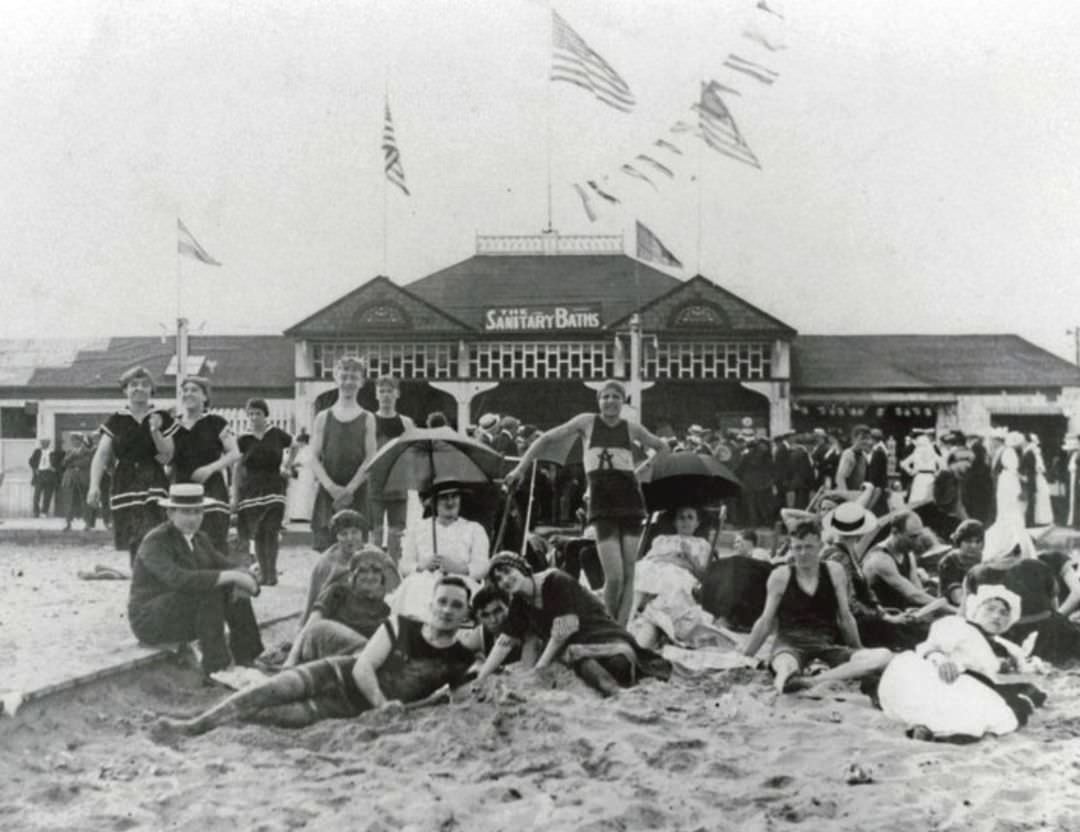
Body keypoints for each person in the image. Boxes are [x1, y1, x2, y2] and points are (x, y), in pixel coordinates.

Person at [154, 576, 477, 735]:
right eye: (443, 602)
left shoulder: (460, 658)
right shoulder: (403, 625)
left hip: (346, 708)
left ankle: (211, 722)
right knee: (269, 692)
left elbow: (449, 701)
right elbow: (364, 665)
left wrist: (401, 708)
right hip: (337, 673)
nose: (447, 611)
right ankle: (195, 725)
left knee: (270, 715)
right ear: (431, 605)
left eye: (456, 605)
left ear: (465, 615)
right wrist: (382, 704)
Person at [505, 380, 669, 625]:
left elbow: (662, 447)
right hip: (602, 503)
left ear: (623, 401)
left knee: (629, 573)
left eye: (616, 396)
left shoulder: (632, 428)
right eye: (605, 396)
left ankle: (620, 629)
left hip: (630, 501)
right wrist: (520, 467)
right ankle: (607, 623)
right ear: (598, 400)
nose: (610, 401)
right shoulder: (586, 422)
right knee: (613, 576)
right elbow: (547, 438)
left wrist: (641, 470)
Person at [475, 553, 672, 697]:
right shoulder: (520, 601)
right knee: (585, 664)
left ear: (522, 567)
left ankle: (619, 691)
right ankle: (617, 695)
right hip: (575, 651)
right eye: (498, 579)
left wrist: (539, 668)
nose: (505, 580)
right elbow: (504, 642)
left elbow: (565, 627)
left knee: (616, 664)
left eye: (508, 572)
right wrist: (481, 677)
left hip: (603, 636)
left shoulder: (555, 581)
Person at [877, 585, 1047, 742]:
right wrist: (941, 660)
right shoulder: (958, 625)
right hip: (945, 675)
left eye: (1004, 613)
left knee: (1004, 706)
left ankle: (928, 730)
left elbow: (1020, 661)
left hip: (973, 684)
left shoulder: (999, 643)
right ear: (975, 611)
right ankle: (928, 728)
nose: (997, 616)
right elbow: (929, 646)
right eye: (990, 609)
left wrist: (1030, 664)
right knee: (997, 712)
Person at [741, 519, 893, 694]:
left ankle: (813, 681)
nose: (803, 553)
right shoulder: (781, 576)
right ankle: (803, 679)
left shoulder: (834, 571)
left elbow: (845, 617)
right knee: (786, 670)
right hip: (789, 645)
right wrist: (746, 655)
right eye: (797, 548)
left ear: (820, 546)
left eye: (809, 547)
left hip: (826, 646)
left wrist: (857, 650)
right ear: (791, 548)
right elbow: (765, 621)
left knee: (883, 656)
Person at [128, 484, 263, 676]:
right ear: (170, 513)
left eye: (198, 512)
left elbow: (224, 564)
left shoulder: (200, 538)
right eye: (186, 512)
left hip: (184, 614)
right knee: (211, 589)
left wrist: (248, 575)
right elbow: (179, 579)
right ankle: (217, 667)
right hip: (151, 619)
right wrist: (234, 576)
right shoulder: (156, 541)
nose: (193, 518)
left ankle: (247, 657)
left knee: (228, 586)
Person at [88, 367, 177, 564]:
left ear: (152, 390)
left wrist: (155, 430)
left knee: (153, 529)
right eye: (133, 385)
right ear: (125, 390)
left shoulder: (162, 417)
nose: (139, 388)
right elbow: (102, 454)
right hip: (125, 479)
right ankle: (139, 578)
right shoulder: (117, 420)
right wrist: (94, 486)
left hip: (152, 476)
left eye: (145, 385)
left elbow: (168, 453)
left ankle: (154, 576)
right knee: (132, 535)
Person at [821, 502, 928, 651]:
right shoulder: (838, 557)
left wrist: (884, 612)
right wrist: (884, 617)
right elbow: (850, 603)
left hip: (864, 618)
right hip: (846, 626)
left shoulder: (849, 552)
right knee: (910, 639)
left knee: (912, 628)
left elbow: (866, 591)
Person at [964, 538, 1080, 665]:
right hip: (1050, 631)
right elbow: (1055, 606)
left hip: (1006, 634)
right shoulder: (1043, 564)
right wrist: (1058, 618)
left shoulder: (976, 571)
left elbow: (967, 614)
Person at [391, 479, 490, 621]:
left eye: (454, 496)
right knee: (416, 595)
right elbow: (404, 565)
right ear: (433, 501)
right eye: (444, 497)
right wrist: (421, 566)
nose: (450, 502)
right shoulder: (418, 528)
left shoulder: (474, 529)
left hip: (460, 582)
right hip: (422, 583)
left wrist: (458, 568)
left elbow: (482, 566)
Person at [284, 544, 399, 666]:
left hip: (357, 663)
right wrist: (291, 659)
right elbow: (310, 627)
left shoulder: (387, 606)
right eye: (363, 571)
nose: (370, 576)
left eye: (376, 571)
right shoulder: (338, 592)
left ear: (382, 578)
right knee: (321, 627)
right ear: (353, 575)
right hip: (328, 652)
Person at [309, 356, 377, 552]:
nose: (348, 382)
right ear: (336, 378)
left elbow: (370, 458)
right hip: (328, 492)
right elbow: (312, 457)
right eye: (344, 376)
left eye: (354, 377)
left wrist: (350, 490)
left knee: (356, 552)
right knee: (327, 552)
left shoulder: (368, 418)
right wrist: (331, 488)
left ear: (362, 382)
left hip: (357, 493)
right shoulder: (323, 417)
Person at [629, 506, 719, 650]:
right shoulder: (662, 539)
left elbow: (702, 574)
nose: (685, 521)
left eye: (690, 517)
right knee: (639, 570)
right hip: (654, 570)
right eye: (681, 517)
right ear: (675, 523)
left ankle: (652, 621)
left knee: (671, 578)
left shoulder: (702, 544)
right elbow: (649, 559)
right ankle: (630, 614)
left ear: (697, 523)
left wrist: (689, 556)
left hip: (680, 575)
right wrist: (674, 559)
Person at [172, 376, 241, 557]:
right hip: (181, 486)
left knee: (213, 539)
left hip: (211, 488)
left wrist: (210, 469)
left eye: (194, 390)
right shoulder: (173, 424)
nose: (188, 394)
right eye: (185, 390)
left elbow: (234, 453)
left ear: (205, 396)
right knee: (182, 540)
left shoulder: (216, 422)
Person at [233, 398, 294, 586]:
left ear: (265, 414)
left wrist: (287, 465)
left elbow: (295, 445)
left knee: (271, 528)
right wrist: (235, 494)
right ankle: (263, 573)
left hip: (274, 486)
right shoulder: (243, 439)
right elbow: (237, 466)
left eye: (257, 413)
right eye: (250, 414)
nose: (254, 417)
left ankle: (272, 572)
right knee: (258, 531)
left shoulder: (276, 434)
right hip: (251, 488)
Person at [368, 375, 416, 563]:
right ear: (376, 394)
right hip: (375, 483)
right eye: (382, 391)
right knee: (375, 531)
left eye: (389, 391)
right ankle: (373, 567)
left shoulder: (406, 423)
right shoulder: (369, 420)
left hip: (398, 484)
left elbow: (413, 452)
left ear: (397, 394)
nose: (386, 395)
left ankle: (393, 570)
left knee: (397, 533)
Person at [301, 509, 371, 624]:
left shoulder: (374, 556)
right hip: (336, 621)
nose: (350, 538)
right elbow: (313, 602)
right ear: (336, 537)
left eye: (354, 532)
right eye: (343, 534)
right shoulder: (326, 563)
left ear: (362, 534)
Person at [861, 511, 939, 612]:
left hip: (902, 612)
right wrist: (949, 607)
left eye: (919, 535)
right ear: (895, 532)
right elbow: (912, 595)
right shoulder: (880, 558)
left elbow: (918, 591)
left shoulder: (908, 553)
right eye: (912, 537)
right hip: (880, 617)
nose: (916, 542)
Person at [984, 431, 1037, 560]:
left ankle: (1013, 539)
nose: (991, 442)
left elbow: (1013, 469)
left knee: (1010, 510)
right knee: (1004, 510)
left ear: (998, 440)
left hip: (1008, 483)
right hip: (1004, 482)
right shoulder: (1001, 451)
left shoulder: (1008, 452)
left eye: (993, 440)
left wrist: (1019, 479)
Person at [457, 585, 522, 662]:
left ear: (510, 608)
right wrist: (477, 663)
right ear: (478, 619)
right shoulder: (480, 634)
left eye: (498, 611)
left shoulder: (527, 628)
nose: (493, 620)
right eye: (485, 615)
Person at [936, 520, 986, 607]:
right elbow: (957, 596)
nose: (973, 546)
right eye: (968, 541)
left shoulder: (986, 558)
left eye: (978, 541)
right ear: (959, 541)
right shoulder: (950, 561)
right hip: (954, 607)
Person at [58, 433, 93, 531]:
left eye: (75, 440)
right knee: (69, 502)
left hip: (83, 479)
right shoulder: (69, 451)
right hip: (70, 479)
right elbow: (63, 463)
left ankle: (87, 523)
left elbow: (86, 462)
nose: (73, 442)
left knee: (84, 502)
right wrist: (71, 457)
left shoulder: (87, 451)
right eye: (72, 440)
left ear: (80, 440)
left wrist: (72, 463)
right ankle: (68, 523)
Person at [900, 432, 943, 504]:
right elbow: (943, 464)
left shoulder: (917, 452)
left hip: (919, 477)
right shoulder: (932, 452)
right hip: (930, 477)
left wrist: (911, 471)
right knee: (929, 500)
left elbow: (903, 464)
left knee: (917, 499)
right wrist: (937, 473)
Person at [29, 437, 63, 518]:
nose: (44, 444)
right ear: (41, 443)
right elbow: (31, 461)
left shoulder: (53, 452)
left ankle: (44, 512)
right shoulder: (37, 452)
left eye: (46, 442)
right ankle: (36, 512)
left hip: (50, 474)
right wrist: (35, 469)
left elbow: (60, 464)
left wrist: (55, 469)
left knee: (47, 495)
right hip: (40, 474)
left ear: (49, 443)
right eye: (43, 442)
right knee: (36, 495)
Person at [836, 425, 871, 494]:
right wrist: (846, 496)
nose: (866, 441)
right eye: (862, 438)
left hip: (857, 495)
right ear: (854, 438)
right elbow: (840, 479)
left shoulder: (864, 455)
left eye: (867, 438)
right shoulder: (848, 454)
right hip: (847, 497)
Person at [866, 429, 890, 517]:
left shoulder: (878, 452)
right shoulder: (880, 450)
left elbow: (875, 471)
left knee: (878, 508)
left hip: (877, 486)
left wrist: (871, 483)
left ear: (873, 439)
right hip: (880, 485)